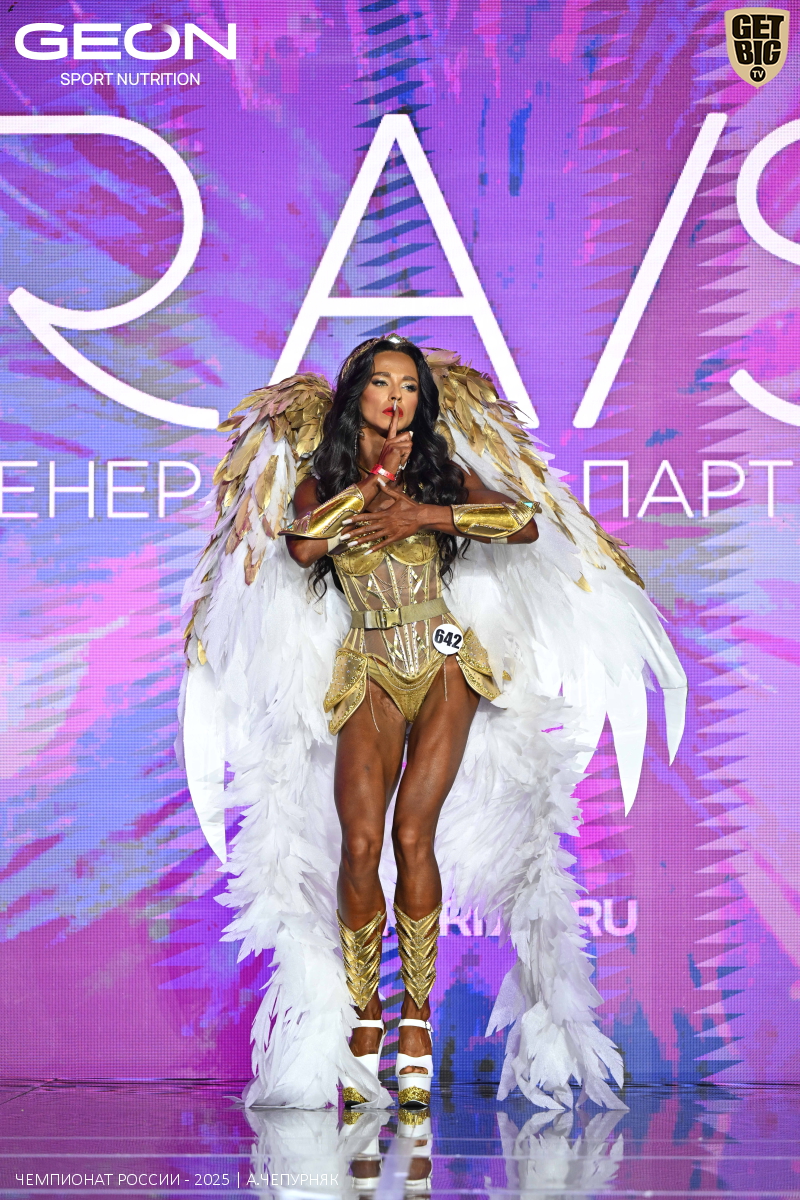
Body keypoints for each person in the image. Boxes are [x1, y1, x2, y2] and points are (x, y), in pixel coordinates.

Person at [179, 335, 686, 1113]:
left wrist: (421, 510)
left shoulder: (443, 469)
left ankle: (415, 1022)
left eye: (409, 386)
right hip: (368, 663)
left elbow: (523, 524)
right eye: (382, 384)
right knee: (360, 844)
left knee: (412, 831)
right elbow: (303, 546)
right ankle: (365, 1015)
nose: (396, 398)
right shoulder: (324, 478)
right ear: (357, 395)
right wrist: (370, 487)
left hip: (446, 657)